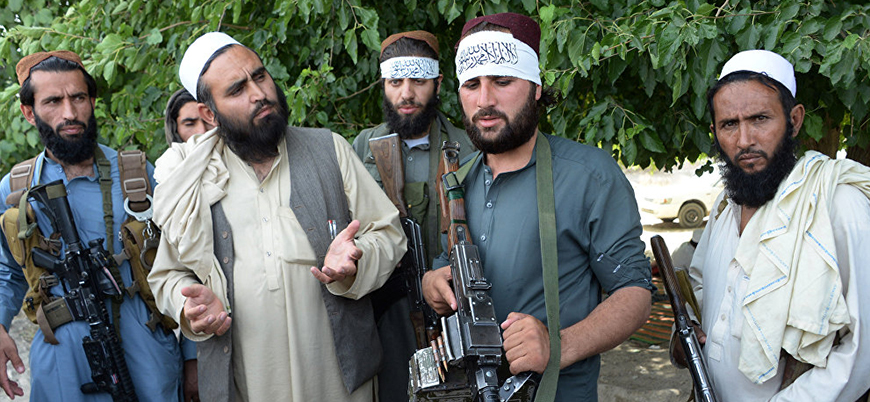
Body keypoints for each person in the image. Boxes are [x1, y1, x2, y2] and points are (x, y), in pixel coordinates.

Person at [147, 32, 406, 402]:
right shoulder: (193, 179)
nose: (259, 94)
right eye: (237, 90)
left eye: (260, 76)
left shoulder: (329, 149)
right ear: (209, 113)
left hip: (338, 381)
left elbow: (388, 233)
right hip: (248, 384)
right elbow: (167, 276)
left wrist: (355, 264)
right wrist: (191, 307)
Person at [421, 13, 655, 401]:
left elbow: (635, 293)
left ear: (535, 87)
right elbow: (446, 263)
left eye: (503, 81)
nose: (485, 100)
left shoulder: (589, 175)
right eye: (472, 84)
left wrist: (559, 344)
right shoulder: (456, 181)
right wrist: (432, 283)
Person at [0, 50, 192, 401]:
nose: (69, 113)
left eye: (78, 98)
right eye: (53, 101)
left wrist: (192, 358)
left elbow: (185, 261)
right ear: (29, 112)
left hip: (146, 360)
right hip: (62, 367)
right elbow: (7, 272)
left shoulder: (137, 176)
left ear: (92, 101)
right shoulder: (15, 189)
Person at [686, 49, 870, 401]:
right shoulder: (726, 207)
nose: (744, 140)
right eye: (729, 124)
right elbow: (702, 289)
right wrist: (690, 334)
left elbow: (863, 348)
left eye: (760, 119)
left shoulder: (837, 204)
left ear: (794, 120)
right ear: (714, 131)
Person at [351, 30, 474, 402]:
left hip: (453, 307)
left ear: (438, 83)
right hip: (386, 311)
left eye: (418, 81)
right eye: (395, 82)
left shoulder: (467, 147)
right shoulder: (363, 147)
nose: (406, 94)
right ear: (383, 85)